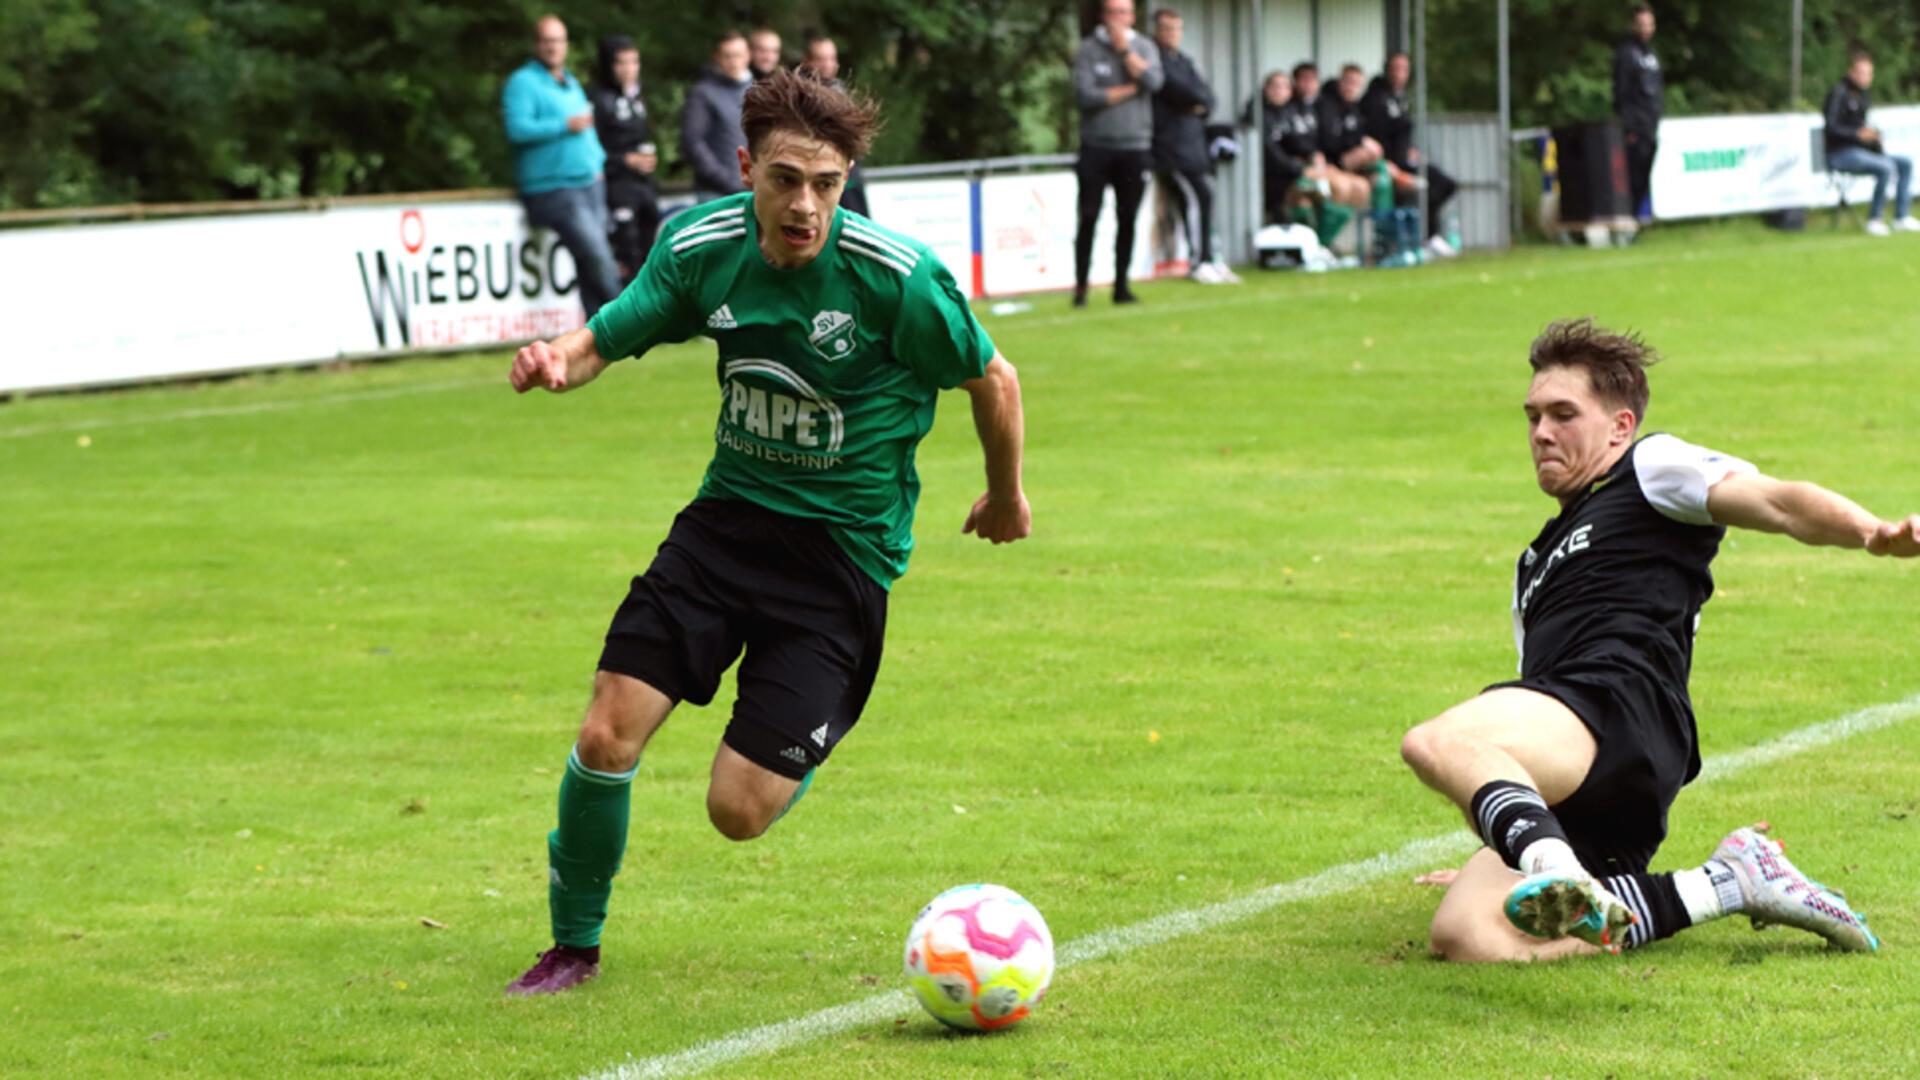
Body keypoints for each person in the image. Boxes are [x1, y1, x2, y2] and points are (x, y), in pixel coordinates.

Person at [501, 68, 1031, 996]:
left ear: (847, 181)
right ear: (745, 167)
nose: (805, 206)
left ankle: (808, 731)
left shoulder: (896, 281)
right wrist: (556, 359)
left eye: (827, 184)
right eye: (786, 178)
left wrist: (1004, 496)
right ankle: (571, 949)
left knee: (737, 812)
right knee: (605, 731)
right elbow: (604, 339)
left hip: (840, 560)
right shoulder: (701, 248)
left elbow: (996, 379)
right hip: (725, 529)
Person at [1399, 318, 1912, 963]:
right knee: (1468, 935)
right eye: (1532, 416)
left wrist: (1869, 531)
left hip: (1618, 705)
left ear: (1619, 426)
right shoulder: (1533, 566)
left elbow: (1778, 502)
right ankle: (1724, 884)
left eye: (1563, 414)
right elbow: (1515, 740)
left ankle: (1556, 866)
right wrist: (1507, 839)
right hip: (1591, 765)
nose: (1541, 433)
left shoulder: (1650, 469)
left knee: (1437, 740)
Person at [501, 15, 623, 319]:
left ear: (566, 45)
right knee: (597, 256)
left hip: (590, 183)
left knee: (588, 263)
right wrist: (564, 125)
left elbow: (587, 130)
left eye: (558, 40)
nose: (552, 47)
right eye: (546, 41)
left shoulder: (569, 81)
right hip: (554, 188)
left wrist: (596, 163)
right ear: (535, 45)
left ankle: (597, 330)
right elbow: (517, 130)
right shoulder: (522, 82)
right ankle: (631, 321)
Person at [1071, 0, 1163, 307]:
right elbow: (1086, 96)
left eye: (1124, 12)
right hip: (1096, 147)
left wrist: (1125, 51)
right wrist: (1128, 90)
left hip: (1134, 147)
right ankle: (1081, 287)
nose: (1118, 18)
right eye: (1113, 12)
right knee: (1088, 217)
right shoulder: (1088, 49)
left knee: (1128, 218)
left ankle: (1121, 287)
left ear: (1132, 16)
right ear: (1103, 16)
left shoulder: (1145, 47)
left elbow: (1154, 82)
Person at [1149, 7, 1236, 285]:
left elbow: (1207, 98)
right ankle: (1199, 260)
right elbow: (1178, 91)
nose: (1173, 34)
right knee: (1196, 198)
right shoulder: (1154, 60)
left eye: (1177, 29)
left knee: (1205, 198)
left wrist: (1196, 103)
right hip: (1170, 147)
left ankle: (1212, 257)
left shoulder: (1185, 61)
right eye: (1167, 29)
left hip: (1193, 144)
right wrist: (1193, 102)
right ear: (1157, 31)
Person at [1361, 51, 1459, 258]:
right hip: (1389, 164)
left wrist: (1411, 149)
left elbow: (1401, 132)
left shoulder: (1401, 98)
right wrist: (1387, 163)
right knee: (1421, 189)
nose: (1400, 73)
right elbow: (1376, 134)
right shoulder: (1375, 99)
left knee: (1445, 184)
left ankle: (1426, 236)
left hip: (1405, 159)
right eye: (1396, 68)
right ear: (1387, 70)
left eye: (1404, 69)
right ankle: (1419, 238)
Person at [1823, 51, 1920, 237]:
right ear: (1851, 72)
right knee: (1885, 166)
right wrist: (1857, 134)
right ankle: (1874, 219)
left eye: (1868, 73)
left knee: (1905, 163)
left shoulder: (1863, 96)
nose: (1865, 77)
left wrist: (1873, 138)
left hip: (1862, 151)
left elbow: (1862, 129)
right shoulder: (1838, 92)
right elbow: (1832, 128)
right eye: (1861, 72)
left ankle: (1901, 217)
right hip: (1840, 153)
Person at [591, 36, 661, 283]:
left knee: (650, 249)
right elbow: (592, 150)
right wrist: (624, 160)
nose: (629, 70)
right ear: (609, 65)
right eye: (622, 63)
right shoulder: (598, 99)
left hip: (643, 185)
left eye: (634, 62)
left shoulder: (637, 97)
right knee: (626, 253)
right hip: (615, 188)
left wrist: (647, 160)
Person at [802, 34, 869, 220]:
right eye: (821, 59)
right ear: (808, 61)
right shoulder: (800, 96)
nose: (827, 64)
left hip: (849, 173)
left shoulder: (842, 91)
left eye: (832, 58)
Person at [1286, 62, 1368, 210]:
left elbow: (1329, 140)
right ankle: (1323, 231)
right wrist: (1312, 154)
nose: (1308, 84)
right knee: (1341, 188)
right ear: (1295, 82)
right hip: (1300, 165)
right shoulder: (1289, 107)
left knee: (1362, 187)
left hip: (1325, 162)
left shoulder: (1322, 105)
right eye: (1304, 79)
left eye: (1312, 79)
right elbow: (1292, 139)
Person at [682, 31, 753, 201]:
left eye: (738, 55)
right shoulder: (702, 93)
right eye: (727, 56)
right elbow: (692, 143)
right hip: (714, 193)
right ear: (717, 57)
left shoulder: (757, 91)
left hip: (751, 189)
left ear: (748, 56)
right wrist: (728, 181)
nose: (733, 61)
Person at [1612, 5, 1663, 223]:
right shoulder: (1626, 54)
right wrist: (1628, 127)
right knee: (1632, 176)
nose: (1646, 29)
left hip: (1651, 125)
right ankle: (1627, 219)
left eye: (1650, 24)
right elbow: (1621, 92)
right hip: (1635, 127)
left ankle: (1634, 219)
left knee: (1644, 176)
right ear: (1633, 25)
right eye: (1642, 24)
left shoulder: (1651, 54)